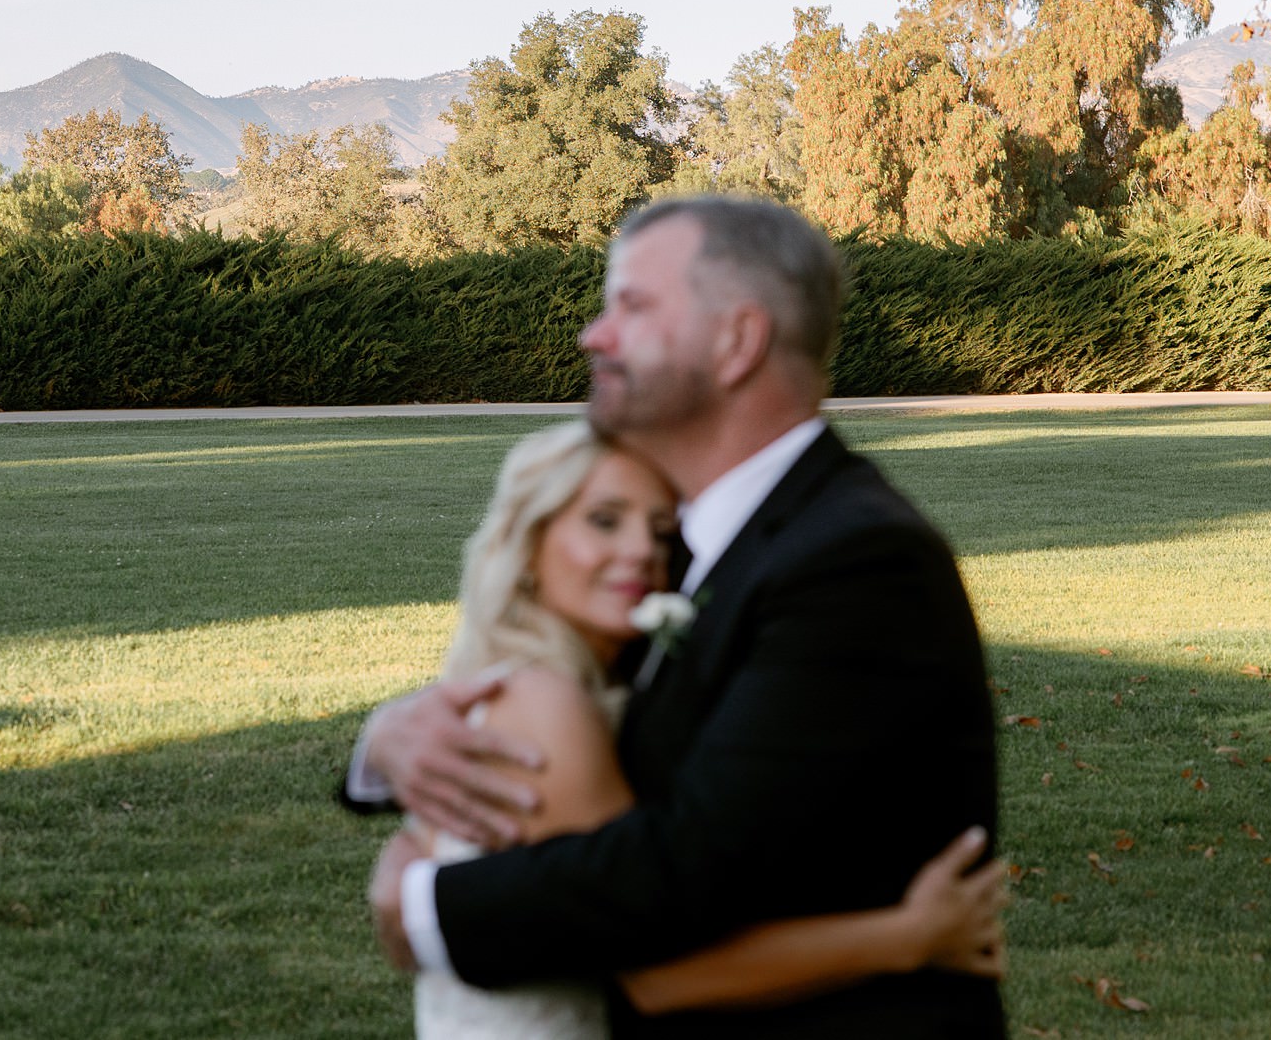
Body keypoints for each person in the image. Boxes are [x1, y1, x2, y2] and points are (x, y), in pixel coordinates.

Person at [354, 195, 1004, 1038]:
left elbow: (682, 875)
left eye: (630, 305)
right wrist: (383, 746)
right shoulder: (699, 551)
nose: (595, 334)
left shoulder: (856, 561)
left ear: (737, 342)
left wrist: (420, 903)